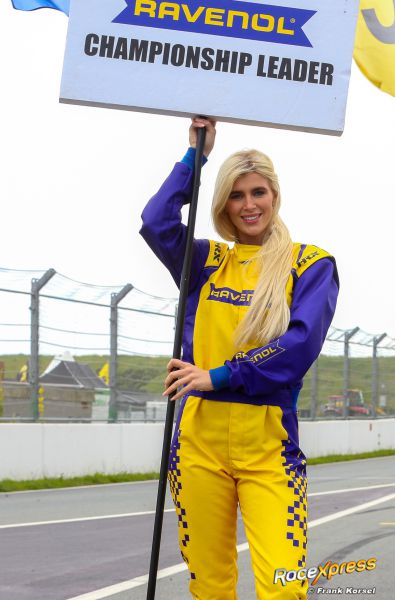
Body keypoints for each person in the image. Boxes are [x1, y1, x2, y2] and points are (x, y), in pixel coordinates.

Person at [140, 117, 339, 600]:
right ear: (223, 203)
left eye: (258, 192)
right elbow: (156, 221)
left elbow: (299, 345)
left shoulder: (310, 264)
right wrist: (195, 156)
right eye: (236, 194)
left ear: (275, 196)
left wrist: (220, 376)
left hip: (270, 450)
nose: (248, 204)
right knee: (211, 586)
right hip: (197, 447)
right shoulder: (205, 261)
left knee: (283, 587)